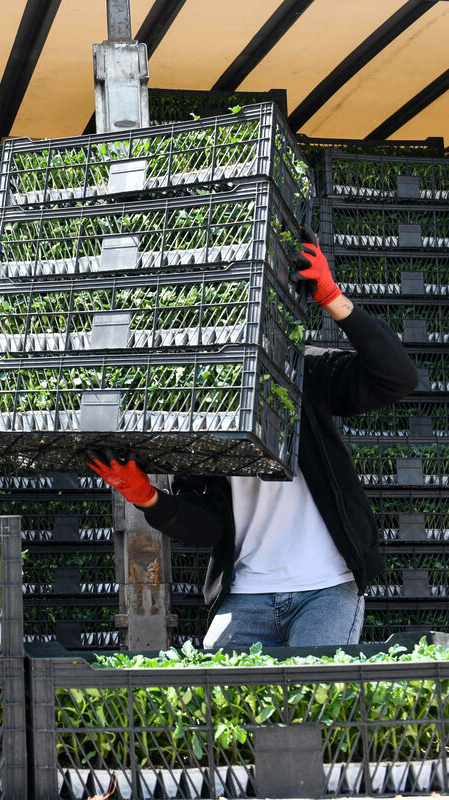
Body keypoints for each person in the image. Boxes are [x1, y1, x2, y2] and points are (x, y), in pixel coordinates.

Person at [87, 228, 419, 649]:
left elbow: (399, 377)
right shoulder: (191, 404)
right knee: (224, 700)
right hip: (246, 595)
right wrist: (149, 498)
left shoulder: (303, 374)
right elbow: (208, 526)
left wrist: (333, 298)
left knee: (311, 704)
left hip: (327, 587)